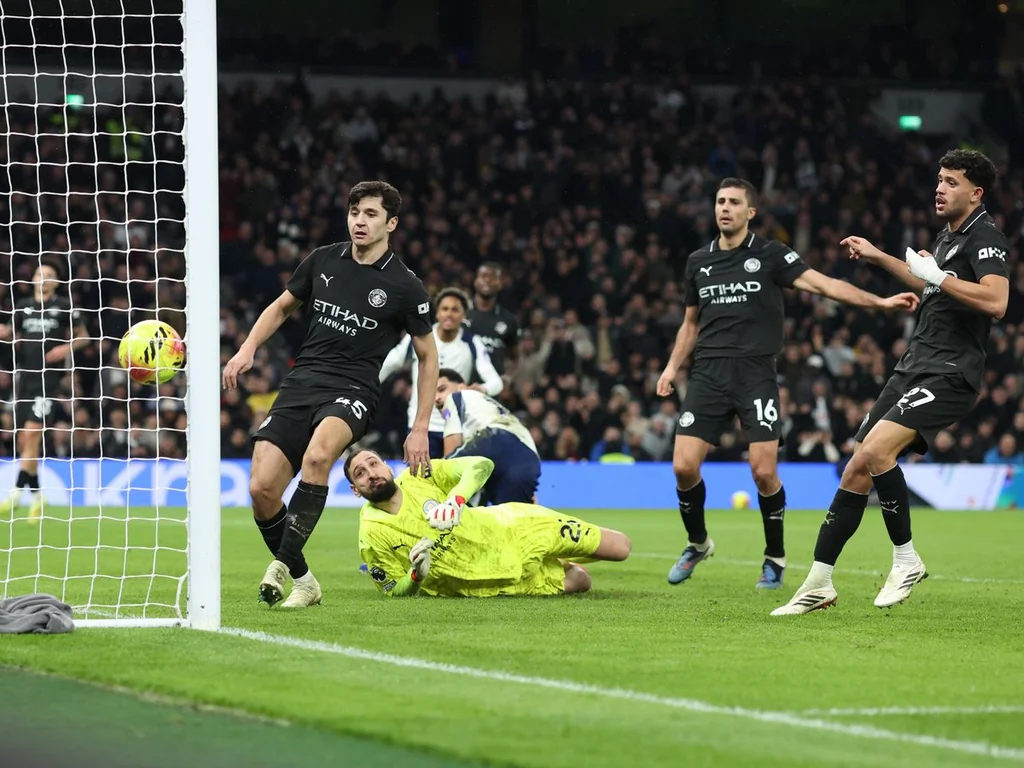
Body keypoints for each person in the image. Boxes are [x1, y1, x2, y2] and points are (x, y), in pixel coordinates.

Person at [773, 149, 1010, 615]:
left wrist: (936, 274)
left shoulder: (986, 238)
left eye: (951, 182)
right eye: (939, 179)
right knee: (857, 467)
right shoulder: (947, 237)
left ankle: (906, 559)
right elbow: (930, 283)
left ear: (976, 192)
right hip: (913, 365)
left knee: (878, 451)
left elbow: (997, 302)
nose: (939, 188)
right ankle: (819, 582)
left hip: (950, 371)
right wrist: (881, 257)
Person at [656, 177, 918, 590]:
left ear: (750, 212)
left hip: (756, 373)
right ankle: (698, 543)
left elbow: (824, 285)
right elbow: (691, 323)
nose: (724, 208)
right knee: (683, 466)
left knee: (763, 472)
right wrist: (672, 368)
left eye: (734, 202)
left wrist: (880, 301)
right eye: (720, 201)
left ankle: (774, 557)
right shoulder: (697, 262)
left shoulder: (770, 254)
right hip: (708, 373)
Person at [222, 180, 439, 609]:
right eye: (355, 212)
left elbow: (427, 357)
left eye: (371, 214)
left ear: (391, 223)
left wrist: (420, 428)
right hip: (302, 381)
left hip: (354, 388)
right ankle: (305, 581)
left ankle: (279, 568)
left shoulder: (404, 285)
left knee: (318, 458)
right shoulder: (323, 259)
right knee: (262, 489)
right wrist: (247, 348)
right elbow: (282, 307)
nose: (360, 220)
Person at [347, 450, 631, 597]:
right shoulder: (371, 536)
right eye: (360, 473)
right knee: (581, 581)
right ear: (355, 489)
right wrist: (415, 576)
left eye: (373, 464)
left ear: (386, 465)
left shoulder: (419, 475)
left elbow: (481, 464)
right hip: (495, 580)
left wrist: (456, 500)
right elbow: (393, 591)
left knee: (621, 548)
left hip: (516, 527)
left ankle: (559, 553)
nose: (371, 473)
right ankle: (563, 564)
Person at [0, 261, 88, 523]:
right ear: (33, 279)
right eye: (40, 274)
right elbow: (8, 333)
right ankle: (38, 497)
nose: (44, 279)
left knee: (31, 434)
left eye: (49, 276)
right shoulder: (23, 307)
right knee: (27, 440)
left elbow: (84, 337)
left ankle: (16, 493)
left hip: (48, 378)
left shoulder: (63, 306)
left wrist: (65, 348)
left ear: (57, 282)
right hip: (24, 377)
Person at [380, 287, 502, 458]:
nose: (449, 314)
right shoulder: (418, 337)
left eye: (455, 309)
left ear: (464, 315)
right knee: (420, 482)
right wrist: (367, 388)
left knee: (450, 482)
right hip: (420, 425)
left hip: (455, 426)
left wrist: (481, 390)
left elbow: (496, 383)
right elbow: (389, 363)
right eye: (445, 309)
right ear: (437, 313)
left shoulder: (471, 342)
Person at [434, 368, 540, 504]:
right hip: (529, 455)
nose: (436, 398)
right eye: (432, 395)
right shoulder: (486, 405)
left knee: (442, 472)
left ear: (461, 386)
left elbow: (450, 459)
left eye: (442, 389)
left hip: (494, 439)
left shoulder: (456, 397)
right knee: (512, 517)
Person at [465, 262, 519, 376]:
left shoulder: (508, 320)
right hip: (460, 386)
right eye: (484, 276)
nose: (488, 280)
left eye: (493, 277)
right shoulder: (461, 314)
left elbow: (514, 357)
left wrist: (507, 378)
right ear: (476, 281)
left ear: (500, 284)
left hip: (492, 389)